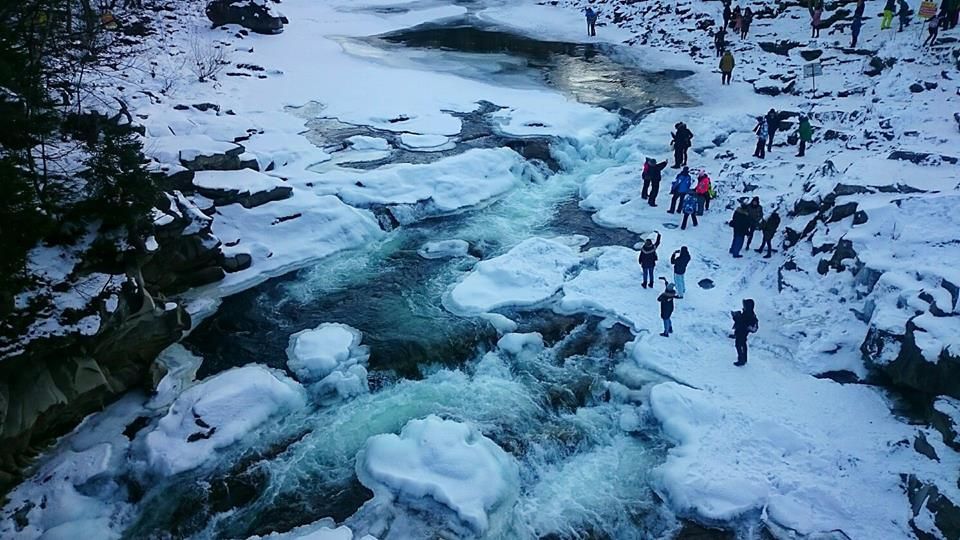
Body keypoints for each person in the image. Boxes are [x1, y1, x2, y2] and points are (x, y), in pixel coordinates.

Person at [732, 299, 758, 366]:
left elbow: (742, 323)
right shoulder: (749, 312)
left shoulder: (748, 314)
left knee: (739, 344)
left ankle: (741, 360)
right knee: (742, 344)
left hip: (742, 332)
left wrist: (736, 317)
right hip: (742, 332)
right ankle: (744, 359)